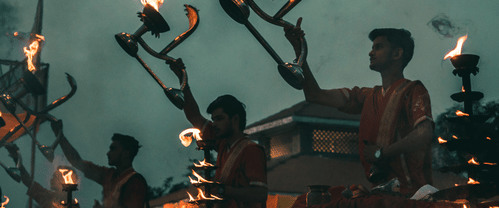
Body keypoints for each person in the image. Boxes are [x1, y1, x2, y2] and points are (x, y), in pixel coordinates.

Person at [284, 19, 434, 196]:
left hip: (410, 195)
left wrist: (382, 153)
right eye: (372, 47)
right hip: (378, 193)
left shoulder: (414, 90)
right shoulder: (366, 97)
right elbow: (315, 95)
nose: (371, 53)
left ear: (397, 53)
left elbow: (424, 134)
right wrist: (299, 51)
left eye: (378, 47)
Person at [169, 59, 268, 208]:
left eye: (219, 119)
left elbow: (260, 194)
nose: (214, 124)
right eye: (213, 119)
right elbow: (194, 116)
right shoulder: (222, 145)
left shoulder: (251, 151)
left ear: (235, 119)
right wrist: (183, 80)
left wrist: (222, 190)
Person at [51, 122, 149, 208]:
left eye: (113, 149)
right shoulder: (108, 175)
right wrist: (60, 136)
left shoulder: (135, 182)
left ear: (125, 154)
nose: (108, 153)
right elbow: (77, 162)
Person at [5, 143, 80, 208]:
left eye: (56, 176)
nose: (52, 177)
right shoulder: (47, 196)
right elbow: (28, 181)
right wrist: (16, 158)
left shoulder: (72, 204)